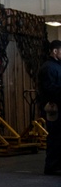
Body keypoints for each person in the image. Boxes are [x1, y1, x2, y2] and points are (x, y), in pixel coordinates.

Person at [36, 39, 61, 175]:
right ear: (55, 51)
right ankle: (52, 166)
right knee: (55, 138)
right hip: (54, 108)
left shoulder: (57, 66)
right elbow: (50, 89)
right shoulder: (49, 68)